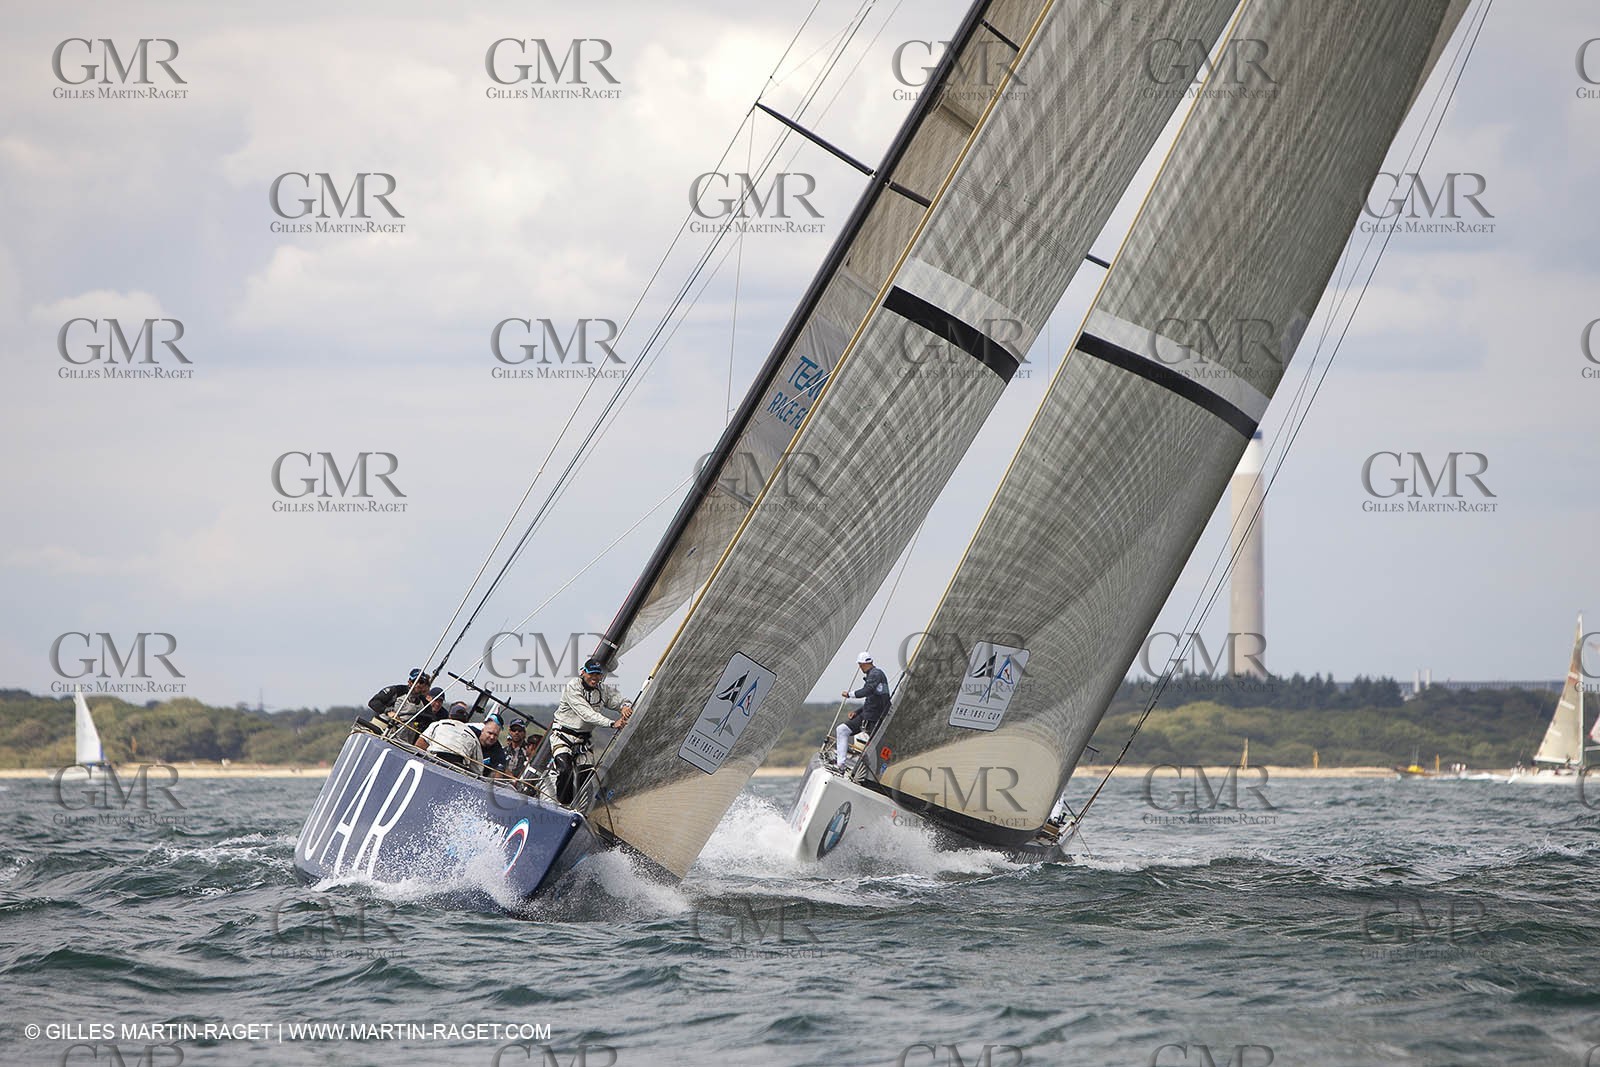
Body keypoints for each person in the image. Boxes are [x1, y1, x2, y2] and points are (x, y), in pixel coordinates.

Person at [550, 659, 633, 805]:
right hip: (563, 736)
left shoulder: (602, 690)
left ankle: (575, 807)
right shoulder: (573, 687)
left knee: (586, 775)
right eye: (591, 674)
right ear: (583, 672)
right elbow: (586, 714)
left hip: (584, 740)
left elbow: (619, 700)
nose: (594, 678)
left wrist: (625, 707)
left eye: (598, 674)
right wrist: (612, 723)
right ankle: (562, 804)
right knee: (565, 770)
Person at [836, 651, 890, 768]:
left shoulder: (876, 674)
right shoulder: (872, 675)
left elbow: (867, 691)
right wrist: (857, 712)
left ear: (863, 664)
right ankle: (840, 764)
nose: (860, 667)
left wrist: (849, 694)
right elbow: (871, 700)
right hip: (866, 715)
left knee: (876, 746)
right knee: (842, 730)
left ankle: (879, 772)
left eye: (860, 665)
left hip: (876, 718)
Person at [416, 702, 483, 771]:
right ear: (466, 719)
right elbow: (478, 768)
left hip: (432, 762)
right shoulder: (473, 735)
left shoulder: (437, 724)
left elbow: (419, 745)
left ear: (450, 715)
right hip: (457, 769)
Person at [471, 711, 509, 776]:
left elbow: (499, 772)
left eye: (495, 735)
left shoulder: (499, 752)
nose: (492, 737)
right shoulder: (470, 733)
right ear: (482, 731)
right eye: (490, 733)